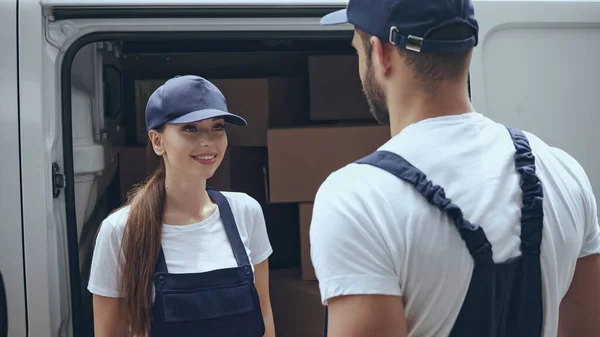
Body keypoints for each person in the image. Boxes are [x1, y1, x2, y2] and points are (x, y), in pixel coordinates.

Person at [309, 1, 600, 337]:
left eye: (358, 50)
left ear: (381, 55)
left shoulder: (358, 199)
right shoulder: (565, 174)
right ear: (467, 51)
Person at [87, 75, 275, 337]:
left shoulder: (246, 212)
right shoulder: (120, 230)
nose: (208, 140)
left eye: (218, 127)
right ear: (157, 141)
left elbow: (265, 318)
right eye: (191, 128)